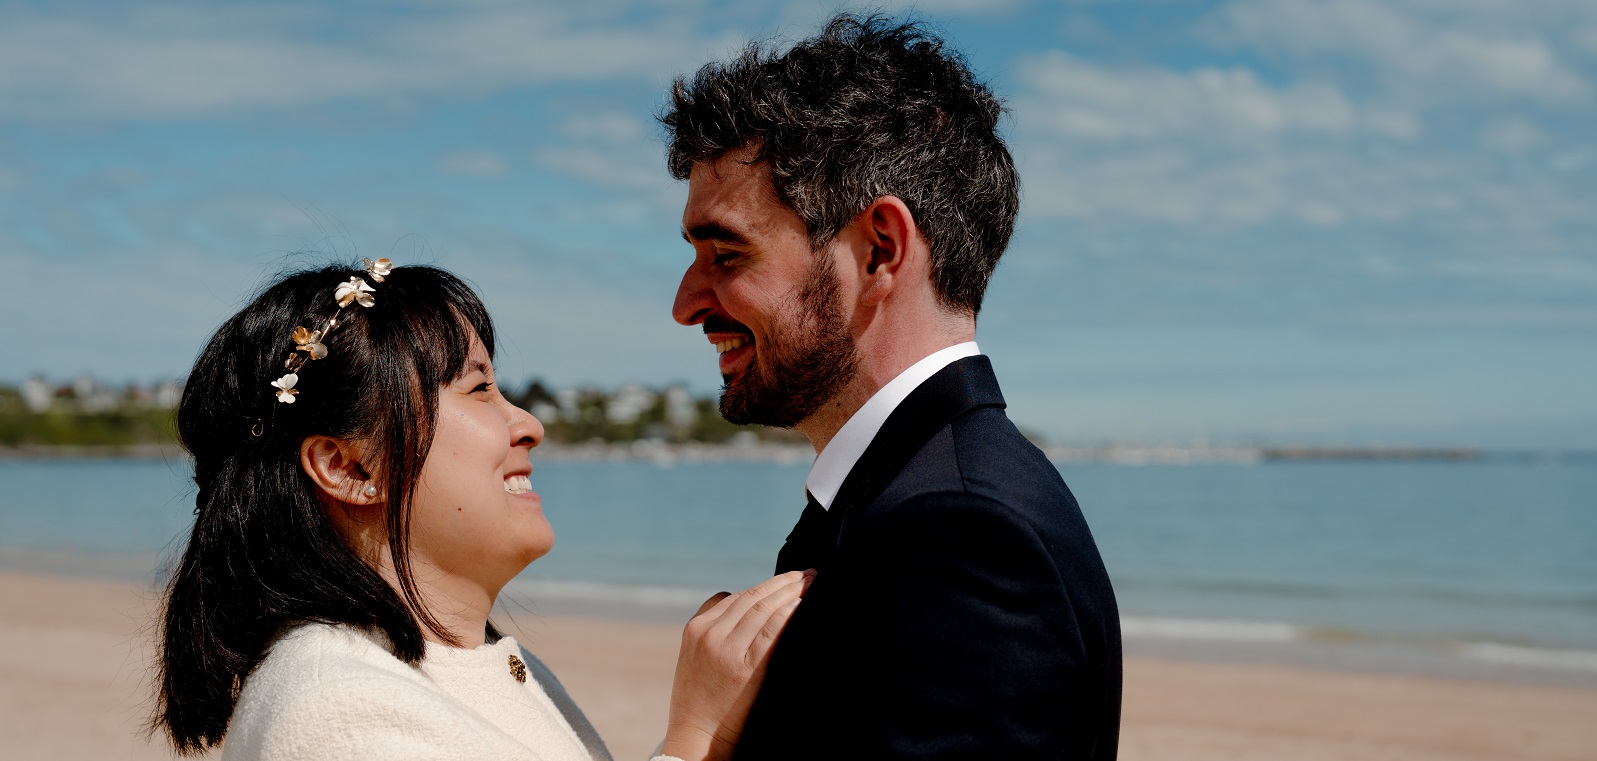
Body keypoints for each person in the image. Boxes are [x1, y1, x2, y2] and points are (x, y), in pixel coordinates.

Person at [662, 13, 1122, 759]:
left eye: (726, 254)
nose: (685, 303)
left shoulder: (959, 534)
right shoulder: (911, 496)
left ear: (879, 248)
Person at [151, 260, 810, 761]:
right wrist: (693, 735)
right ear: (349, 467)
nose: (527, 425)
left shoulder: (467, 659)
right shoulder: (340, 710)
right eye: (479, 388)